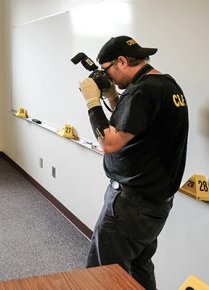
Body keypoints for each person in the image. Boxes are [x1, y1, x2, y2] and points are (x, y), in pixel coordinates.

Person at [78, 36, 188, 289]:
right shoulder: (165, 85)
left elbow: (110, 143)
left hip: (131, 205)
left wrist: (92, 102)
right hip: (154, 202)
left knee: (103, 273)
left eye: (107, 72)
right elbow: (133, 126)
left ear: (122, 61)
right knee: (139, 267)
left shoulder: (142, 91)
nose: (108, 78)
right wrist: (111, 95)